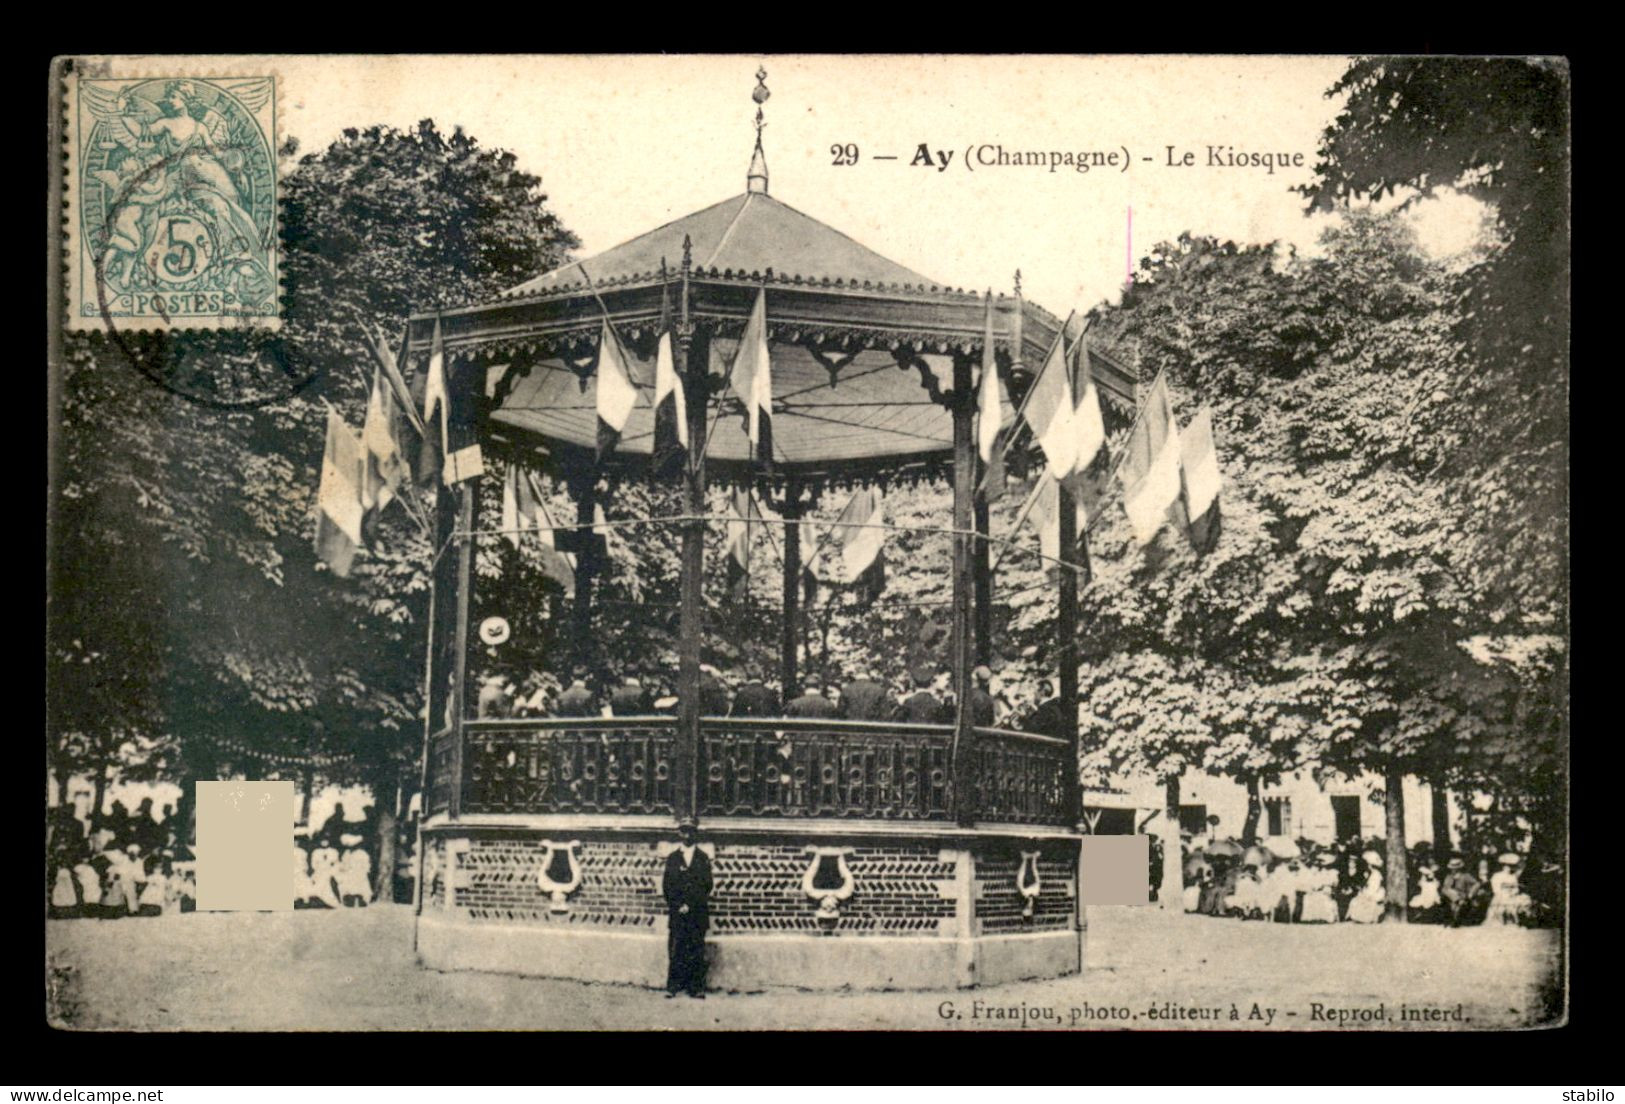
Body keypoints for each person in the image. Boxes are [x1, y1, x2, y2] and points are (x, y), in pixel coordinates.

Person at [663, 818, 712, 999]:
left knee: (696, 948)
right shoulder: (673, 858)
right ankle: (673, 986)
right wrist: (678, 905)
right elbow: (667, 886)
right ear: (679, 833)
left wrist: (690, 905)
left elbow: (707, 885)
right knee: (676, 948)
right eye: (684, 831)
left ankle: (696, 987)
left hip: (697, 912)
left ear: (695, 833)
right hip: (678, 913)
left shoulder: (702, 858)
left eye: (691, 831)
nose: (688, 835)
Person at [1485, 853, 1533, 926]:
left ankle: (1520, 919)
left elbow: (1516, 887)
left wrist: (1513, 892)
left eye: (1511, 866)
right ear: (1503, 866)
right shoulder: (1497, 875)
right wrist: (1504, 893)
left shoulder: (1512, 877)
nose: (1509, 868)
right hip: (1501, 896)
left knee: (1524, 899)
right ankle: (1505, 919)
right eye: (1507, 866)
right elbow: (1496, 889)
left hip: (1512, 895)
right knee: (1504, 904)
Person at [1440, 856, 1482, 927]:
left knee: (1455, 904)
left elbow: (1477, 884)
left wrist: (1471, 893)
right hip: (1450, 895)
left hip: (1461, 895)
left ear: (1459, 869)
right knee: (1445, 890)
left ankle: (1455, 919)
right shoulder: (1449, 876)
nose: (1453, 870)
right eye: (1452, 869)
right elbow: (1445, 887)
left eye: (1455, 869)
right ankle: (1457, 903)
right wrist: (1452, 892)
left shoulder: (1465, 876)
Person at [1346, 850, 1385, 923]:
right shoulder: (1367, 873)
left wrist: (1366, 894)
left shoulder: (1376, 875)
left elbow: (1374, 888)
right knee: (1355, 901)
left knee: (1366, 902)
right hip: (1368, 892)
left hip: (1374, 893)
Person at [1299, 853, 1340, 924]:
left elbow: (1331, 883)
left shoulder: (1332, 872)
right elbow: (1310, 883)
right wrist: (1313, 888)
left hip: (1324, 891)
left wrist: (1322, 886)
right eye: (1315, 866)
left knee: (1322, 897)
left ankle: (1324, 917)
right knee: (1309, 897)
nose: (1317, 868)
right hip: (1315, 891)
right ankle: (1311, 918)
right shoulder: (1314, 873)